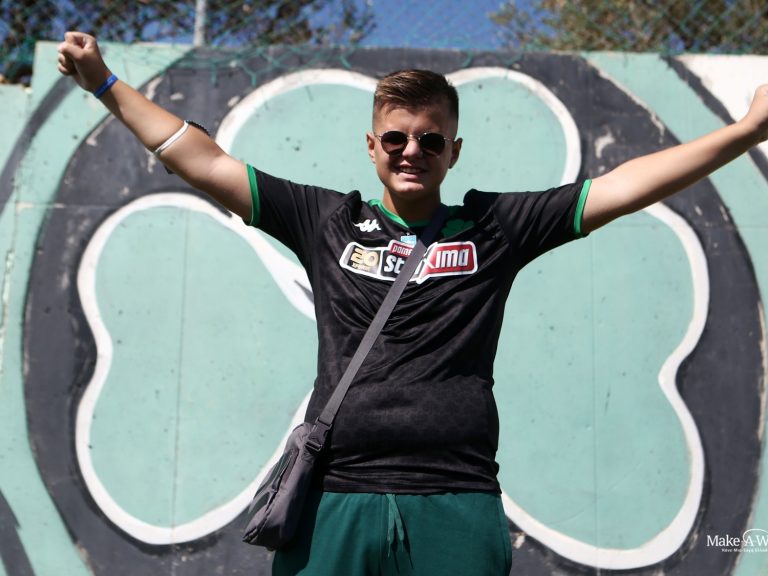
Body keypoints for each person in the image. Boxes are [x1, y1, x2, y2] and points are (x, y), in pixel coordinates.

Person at [57, 31, 767, 576]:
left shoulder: (496, 227)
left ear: (453, 151)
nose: (411, 151)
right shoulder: (325, 220)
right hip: (334, 499)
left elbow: (624, 186)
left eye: (430, 140)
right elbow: (203, 159)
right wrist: (104, 84)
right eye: (395, 138)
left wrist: (743, 133)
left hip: (456, 500)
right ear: (372, 146)